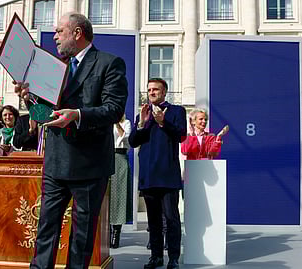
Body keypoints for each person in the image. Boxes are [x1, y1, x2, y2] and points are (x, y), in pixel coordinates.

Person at [14, 12, 128, 269]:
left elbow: (114, 109)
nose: (54, 37)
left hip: (89, 165)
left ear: (77, 33)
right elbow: (42, 116)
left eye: (59, 31)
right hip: (56, 162)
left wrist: (77, 115)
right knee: (46, 229)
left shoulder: (109, 63)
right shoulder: (54, 67)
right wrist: (29, 99)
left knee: (82, 236)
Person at [128, 78, 186, 269]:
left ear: (164, 92)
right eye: (149, 89)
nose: (151, 92)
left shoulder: (176, 111)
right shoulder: (142, 114)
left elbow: (181, 135)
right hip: (148, 175)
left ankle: (174, 258)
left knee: (171, 219)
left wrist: (163, 122)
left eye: (156, 89)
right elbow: (133, 142)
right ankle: (156, 257)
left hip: (167, 175)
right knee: (153, 220)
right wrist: (142, 124)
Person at [110, 114, 131, 248]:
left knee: (119, 195)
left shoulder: (126, 123)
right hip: (106, 157)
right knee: (107, 196)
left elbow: (125, 137)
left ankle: (116, 233)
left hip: (120, 157)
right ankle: (105, 231)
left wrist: (117, 122)